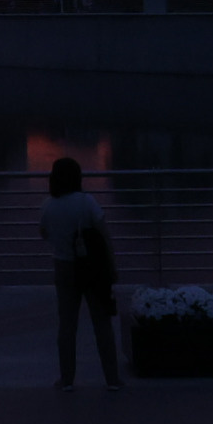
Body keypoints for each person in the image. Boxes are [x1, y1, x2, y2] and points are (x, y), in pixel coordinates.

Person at [39, 157, 123, 391]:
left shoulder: (48, 205)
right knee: (102, 322)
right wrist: (112, 266)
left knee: (67, 325)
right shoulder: (87, 202)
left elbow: (44, 233)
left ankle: (66, 379)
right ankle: (112, 379)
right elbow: (104, 235)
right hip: (92, 267)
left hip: (63, 267)